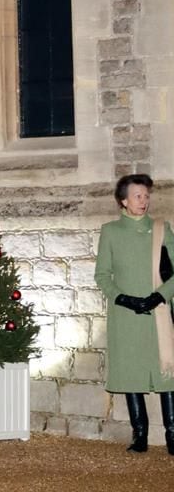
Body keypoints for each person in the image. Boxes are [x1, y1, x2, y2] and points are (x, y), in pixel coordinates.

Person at [94, 173, 174, 455]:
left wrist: (159, 295)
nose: (144, 201)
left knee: (167, 374)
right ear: (123, 201)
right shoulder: (111, 231)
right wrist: (123, 298)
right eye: (138, 196)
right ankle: (139, 435)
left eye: (147, 196)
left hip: (158, 313)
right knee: (130, 372)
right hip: (126, 314)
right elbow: (102, 275)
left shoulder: (162, 229)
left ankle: (172, 435)